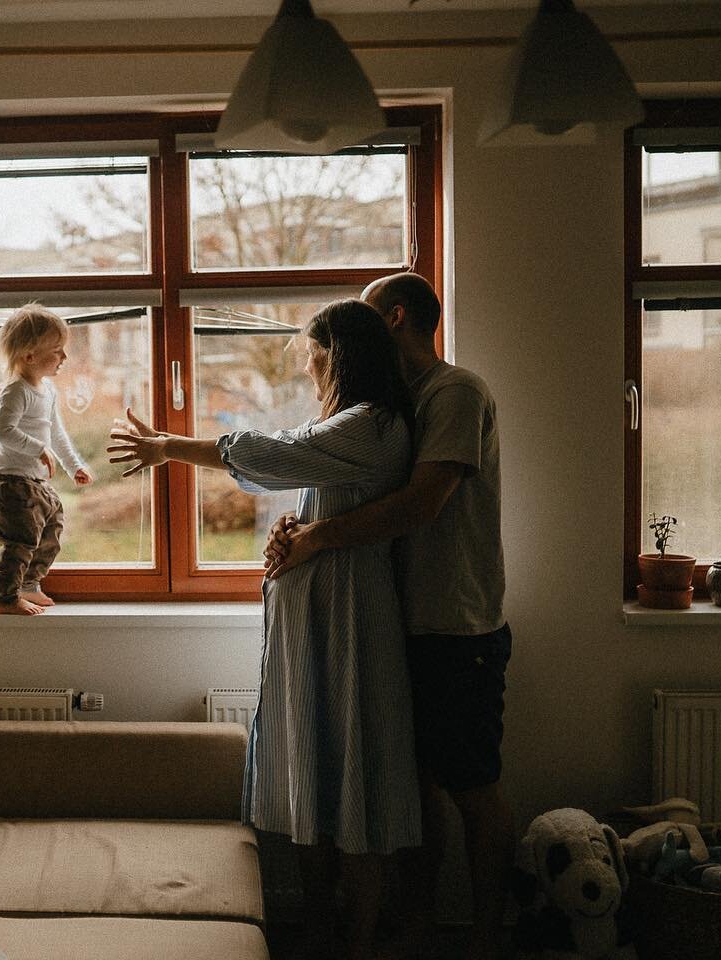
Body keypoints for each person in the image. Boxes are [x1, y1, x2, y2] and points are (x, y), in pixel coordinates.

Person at [109, 299, 421, 960]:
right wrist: (296, 529)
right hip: (314, 624)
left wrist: (168, 446)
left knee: (358, 781)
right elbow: (309, 484)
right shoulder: (349, 423)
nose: (307, 371)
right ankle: (318, 929)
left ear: (338, 356)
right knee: (311, 773)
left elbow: (272, 453)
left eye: (312, 357)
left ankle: (356, 942)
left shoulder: (372, 426)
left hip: (352, 626)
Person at [265, 272, 514, 960]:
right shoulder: (390, 406)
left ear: (397, 317)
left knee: (471, 786)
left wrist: (316, 540)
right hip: (398, 623)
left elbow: (420, 504)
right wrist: (300, 523)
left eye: (369, 319)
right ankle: (419, 924)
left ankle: (489, 933)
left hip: (455, 623)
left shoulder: (455, 391)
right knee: (413, 790)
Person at [0, 304, 92, 616]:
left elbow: (57, 432)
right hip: (11, 484)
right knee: (21, 541)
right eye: (57, 351)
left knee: (52, 529)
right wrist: (37, 449)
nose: (64, 358)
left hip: (34, 484)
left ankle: (29, 584)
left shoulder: (48, 390)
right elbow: (3, 431)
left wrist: (74, 466)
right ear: (29, 356)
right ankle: (5, 597)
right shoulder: (16, 390)